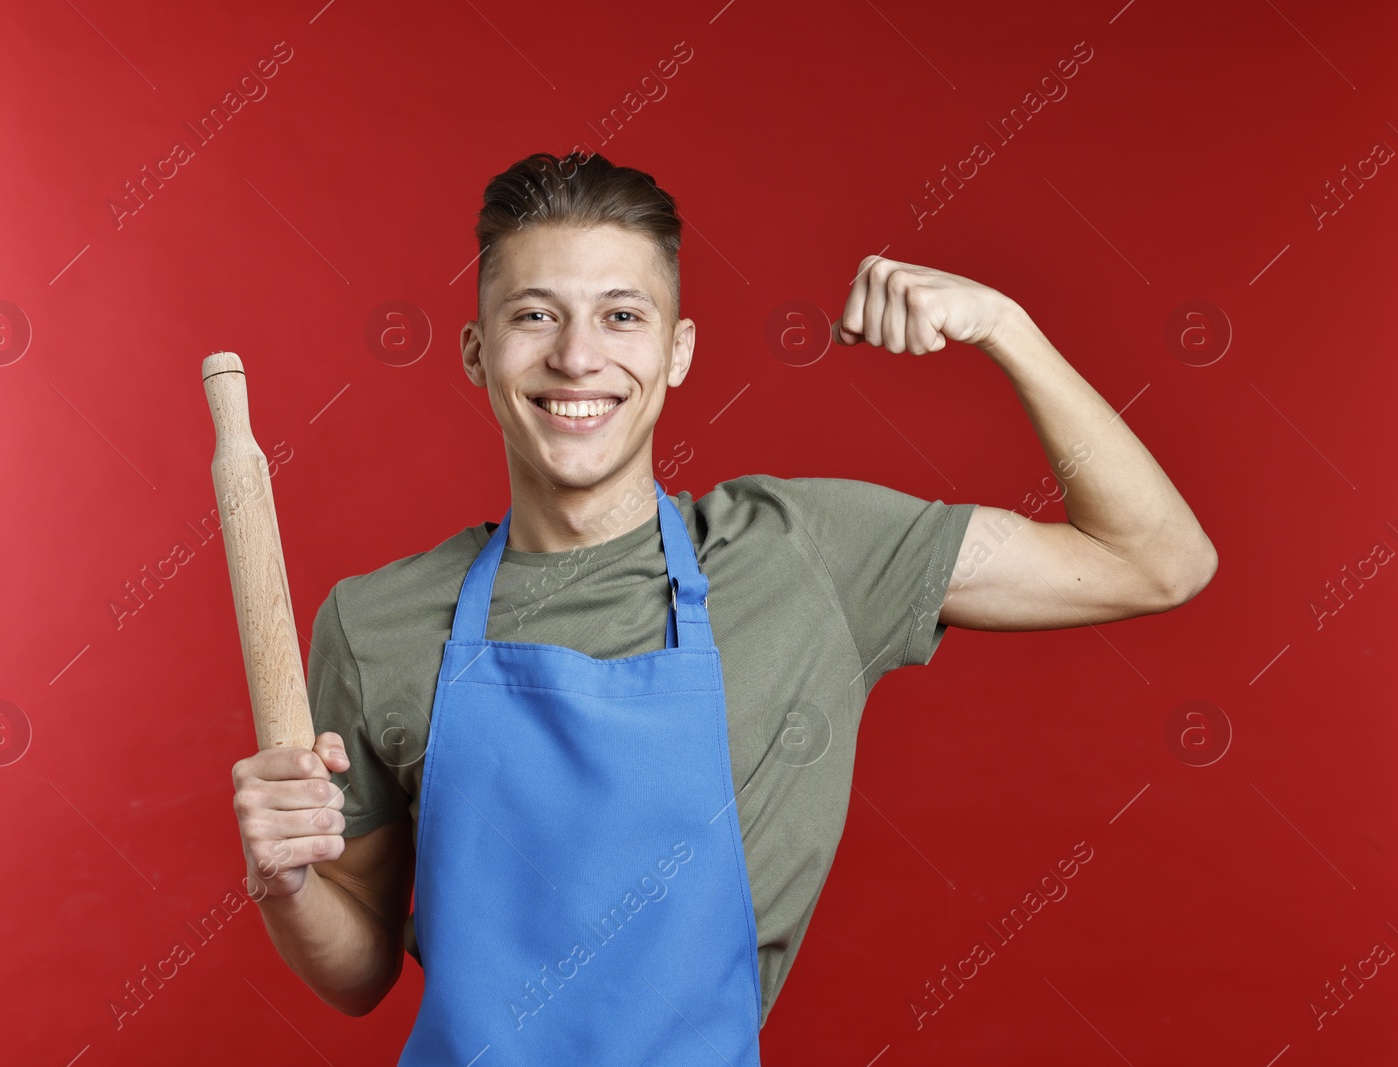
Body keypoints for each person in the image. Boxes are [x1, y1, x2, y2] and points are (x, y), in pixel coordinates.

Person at [229, 151, 1217, 1063]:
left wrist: (1005, 326)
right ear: (476, 352)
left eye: (623, 315)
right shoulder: (375, 621)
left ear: (679, 350)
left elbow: (1156, 560)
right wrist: (288, 883)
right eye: (534, 315)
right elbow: (357, 971)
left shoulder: (804, 554)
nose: (578, 357)